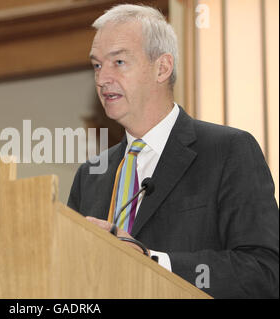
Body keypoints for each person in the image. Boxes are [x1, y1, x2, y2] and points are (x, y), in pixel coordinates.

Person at [67, 4, 278, 299]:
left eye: (119, 62)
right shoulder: (90, 175)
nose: (102, 79)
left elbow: (263, 272)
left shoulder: (228, 151)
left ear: (162, 67)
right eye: (97, 65)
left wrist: (155, 261)